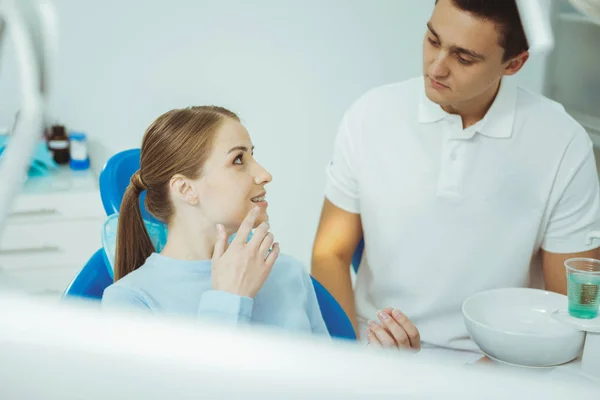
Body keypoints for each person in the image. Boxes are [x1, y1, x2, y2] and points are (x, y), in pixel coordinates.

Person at [312, 0, 600, 353]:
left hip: (501, 361)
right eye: (433, 40)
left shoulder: (562, 144)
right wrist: (352, 355)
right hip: (376, 349)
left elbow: (571, 308)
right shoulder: (370, 116)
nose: (437, 67)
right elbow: (330, 254)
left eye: (463, 58)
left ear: (514, 64)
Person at [102, 106, 328, 335]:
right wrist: (229, 301)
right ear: (185, 188)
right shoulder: (131, 301)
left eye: (252, 155)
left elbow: (327, 370)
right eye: (238, 159)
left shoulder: (288, 272)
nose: (264, 174)